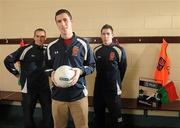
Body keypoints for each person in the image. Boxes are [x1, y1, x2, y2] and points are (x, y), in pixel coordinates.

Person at [46, 9, 96, 128]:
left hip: (78, 95)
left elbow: (92, 66)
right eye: (59, 21)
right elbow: (45, 67)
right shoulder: (51, 46)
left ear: (71, 21)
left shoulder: (83, 43)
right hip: (58, 96)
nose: (63, 24)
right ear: (56, 24)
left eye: (65, 20)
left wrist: (81, 71)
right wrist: (51, 73)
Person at [4, 28, 53, 128]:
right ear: (34, 37)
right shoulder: (25, 49)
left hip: (44, 87)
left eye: (42, 36)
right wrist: (17, 74)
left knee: (48, 113)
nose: (40, 38)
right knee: (28, 114)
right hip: (29, 88)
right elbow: (7, 61)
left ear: (45, 38)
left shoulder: (48, 50)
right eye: (38, 36)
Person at [93, 24, 127, 128]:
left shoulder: (119, 50)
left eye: (108, 34)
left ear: (112, 35)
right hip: (99, 88)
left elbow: (123, 68)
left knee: (116, 118)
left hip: (113, 89)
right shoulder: (96, 50)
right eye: (103, 34)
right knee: (98, 117)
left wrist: (116, 81)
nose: (106, 36)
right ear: (101, 35)